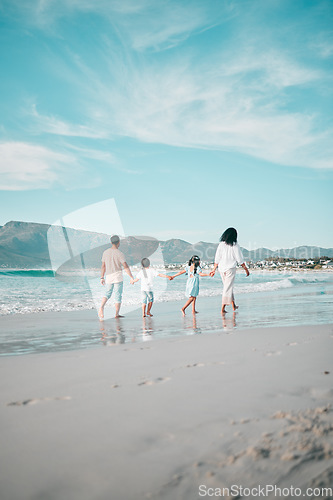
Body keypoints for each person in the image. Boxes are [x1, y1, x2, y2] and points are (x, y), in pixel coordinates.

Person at [210, 227, 249, 314]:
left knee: (228, 287)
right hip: (230, 269)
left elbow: (217, 258)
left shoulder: (221, 244)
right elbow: (239, 259)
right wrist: (246, 269)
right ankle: (222, 309)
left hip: (221, 268)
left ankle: (233, 305)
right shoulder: (235, 245)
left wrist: (213, 269)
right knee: (227, 288)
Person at [98, 235, 134, 320]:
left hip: (109, 277)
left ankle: (101, 307)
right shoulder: (120, 253)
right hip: (118, 277)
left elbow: (103, 266)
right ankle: (116, 314)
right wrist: (131, 277)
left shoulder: (105, 252)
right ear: (119, 242)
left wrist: (102, 277)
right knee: (118, 295)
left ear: (111, 242)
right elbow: (125, 266)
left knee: (107, 293)